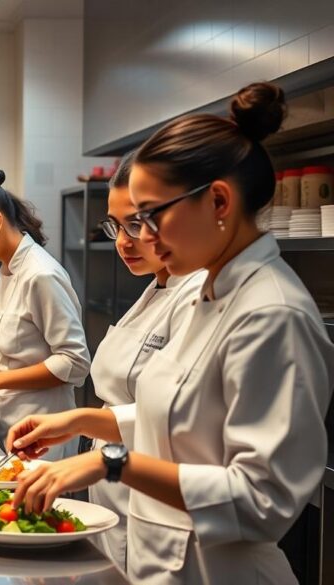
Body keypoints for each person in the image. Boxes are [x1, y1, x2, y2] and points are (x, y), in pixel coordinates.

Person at [7, 82, 334, 584]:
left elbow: (262, 501)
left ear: (219, 201)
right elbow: (183, 419)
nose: (144, 240)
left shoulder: (272, 313)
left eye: (150, 217)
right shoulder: (212, 294)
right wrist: (82, 423)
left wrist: (112, 465)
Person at [85, 152, 206, 569]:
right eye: (116, 227)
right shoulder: (156, 285)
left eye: (136, 224)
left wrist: (78, 423)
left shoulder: (197, 293)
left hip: (154, 492)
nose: (123, 241)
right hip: (114, 489)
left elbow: (183, 413)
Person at [0, 169, 91, 459]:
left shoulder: (41, 275)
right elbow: (23, 345)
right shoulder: (7, 271)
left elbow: (74, 362)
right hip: (7, 423)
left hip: (44, 435)